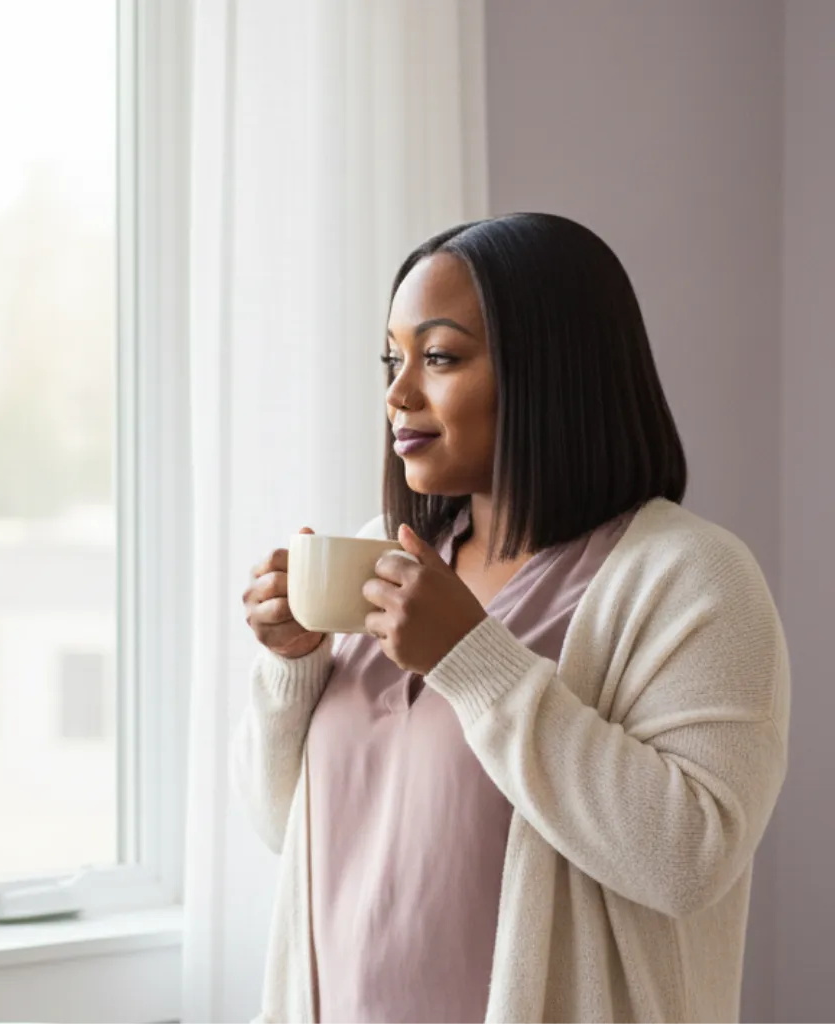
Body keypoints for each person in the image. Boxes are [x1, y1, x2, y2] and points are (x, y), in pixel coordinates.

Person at [231, 213, 790, 1024]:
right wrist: (292, 669)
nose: (398, 393)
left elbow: (689, 859)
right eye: (393, 359)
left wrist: (472, 659)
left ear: (553, 372)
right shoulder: (375, 560)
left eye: (440, 357)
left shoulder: (691, 577)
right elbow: (289, 832)